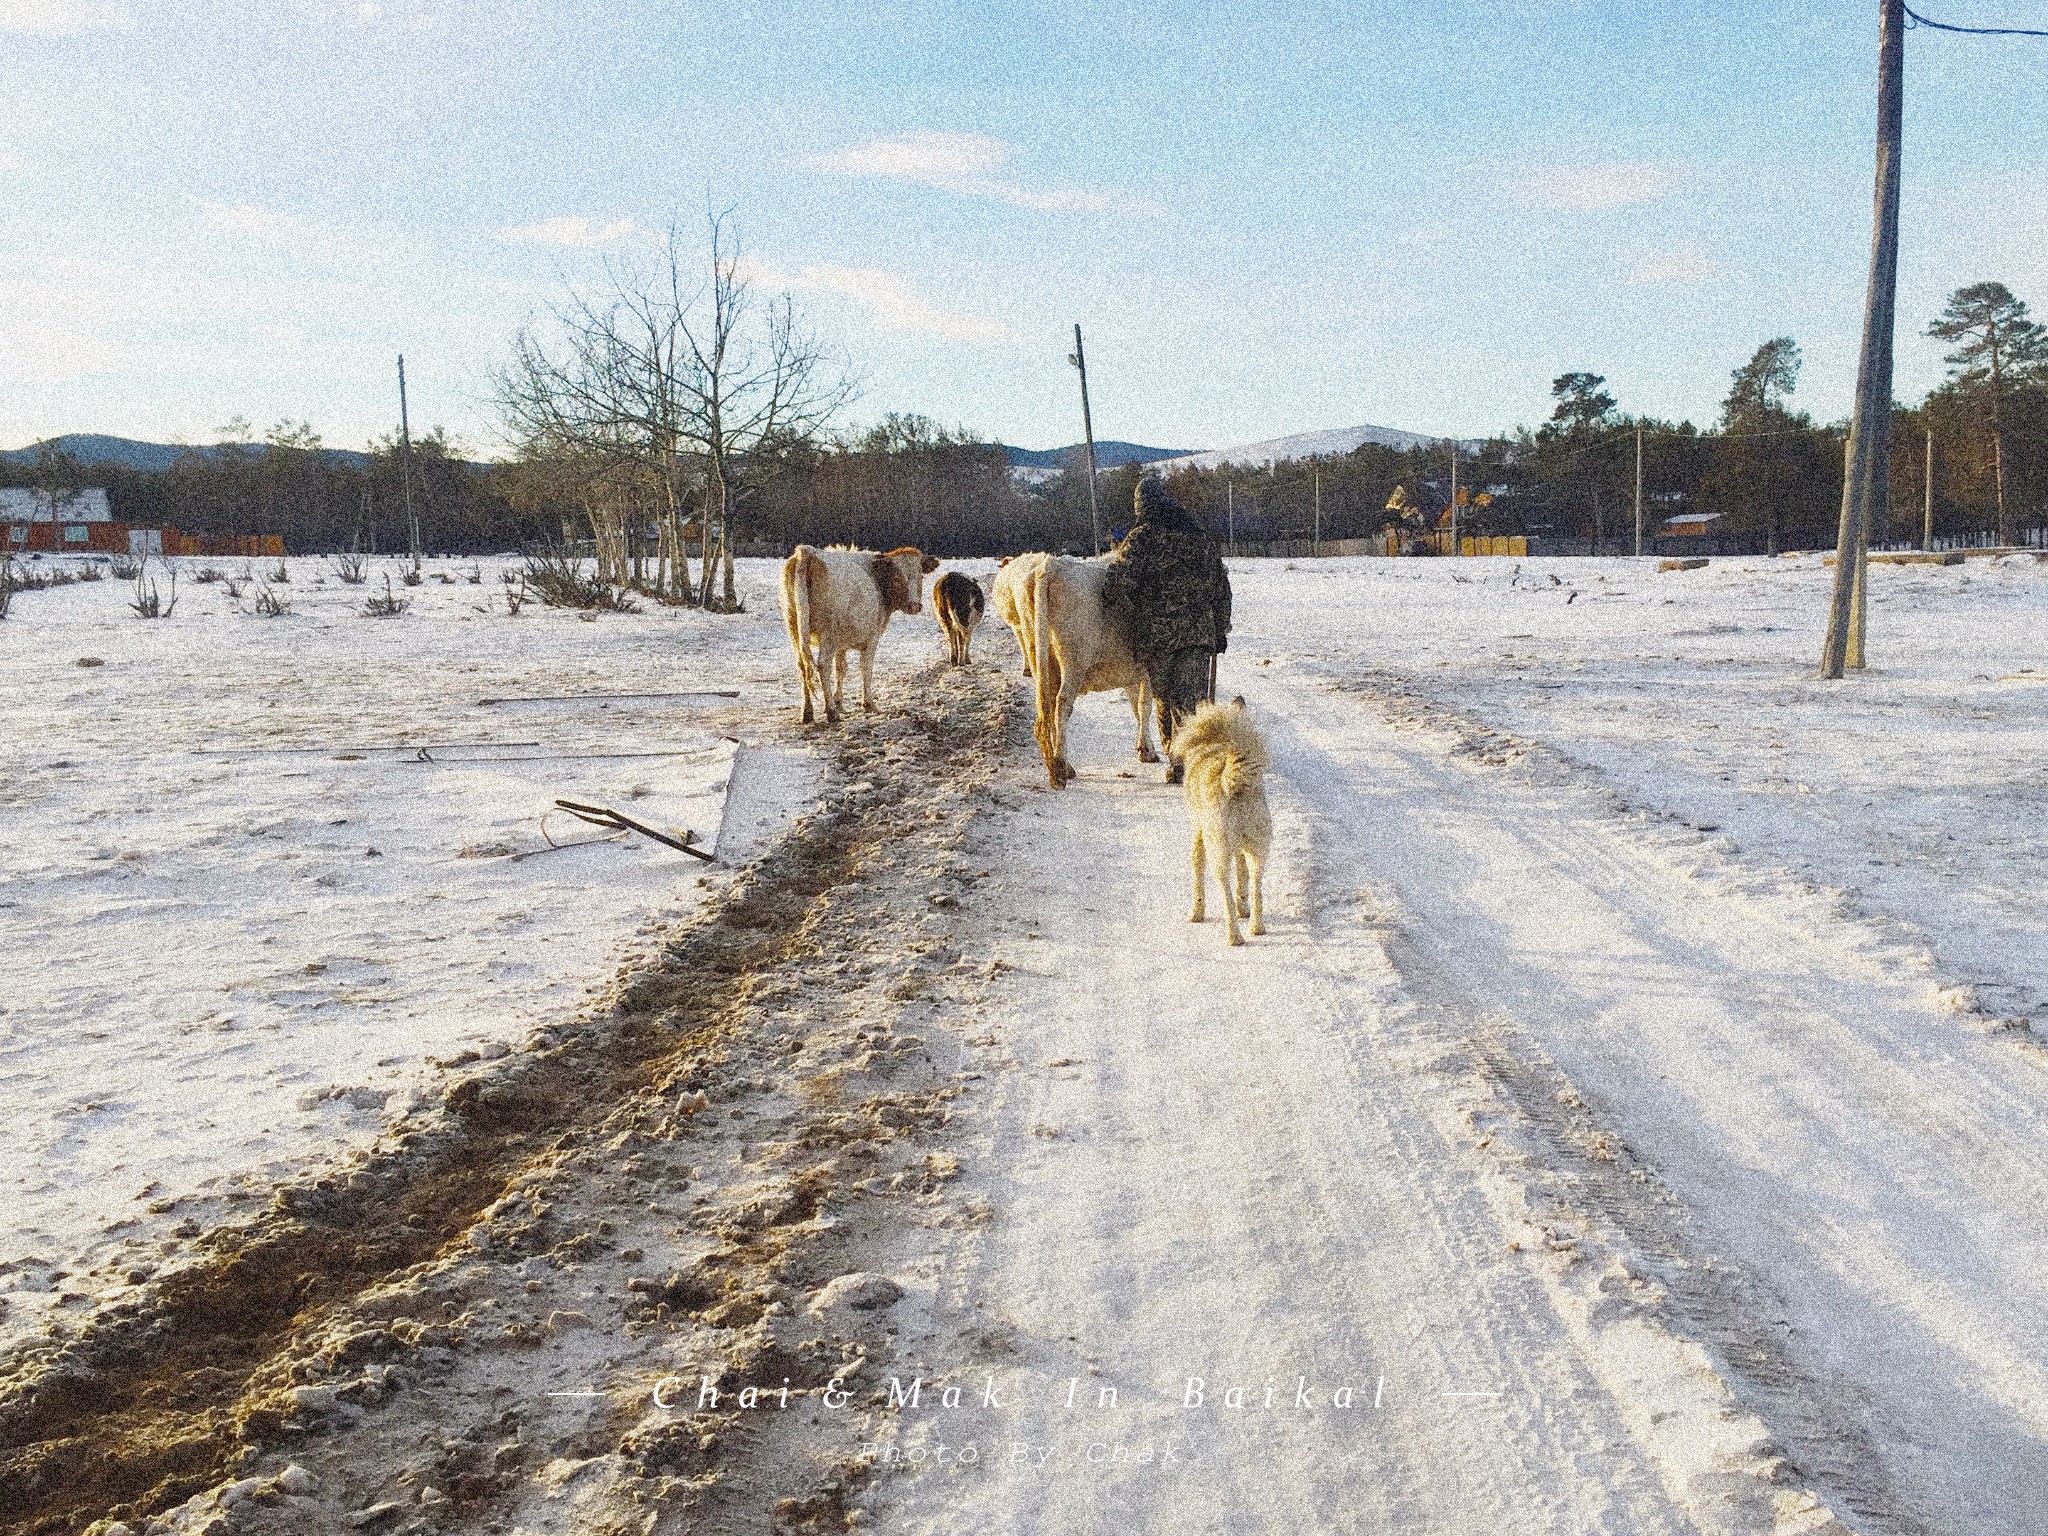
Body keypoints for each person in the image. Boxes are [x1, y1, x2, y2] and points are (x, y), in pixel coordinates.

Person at [1105, 473, 1232, 781]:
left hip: (1157, 635)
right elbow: (1221, 584)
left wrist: (1120, 603)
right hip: (1198, 633)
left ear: (1141, 506)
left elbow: (1117, 581)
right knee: (1191, 701)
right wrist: (1220, 627)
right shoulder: (1197, 535)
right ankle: (1194, 761)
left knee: (1165, 698)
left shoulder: (1141, 537)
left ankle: (1178, 762)